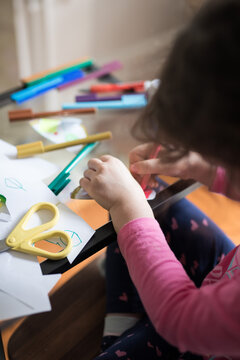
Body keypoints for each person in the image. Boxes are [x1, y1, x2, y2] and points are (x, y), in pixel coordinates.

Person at [80, 0, 240, 358]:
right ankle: (130, 328)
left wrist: (126, 205)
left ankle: (117, 340)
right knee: (160, 210)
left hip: (203, 332)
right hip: (227, 284)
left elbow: (179, 319)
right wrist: (199, 165)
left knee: (135, 216)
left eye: (222, 158)